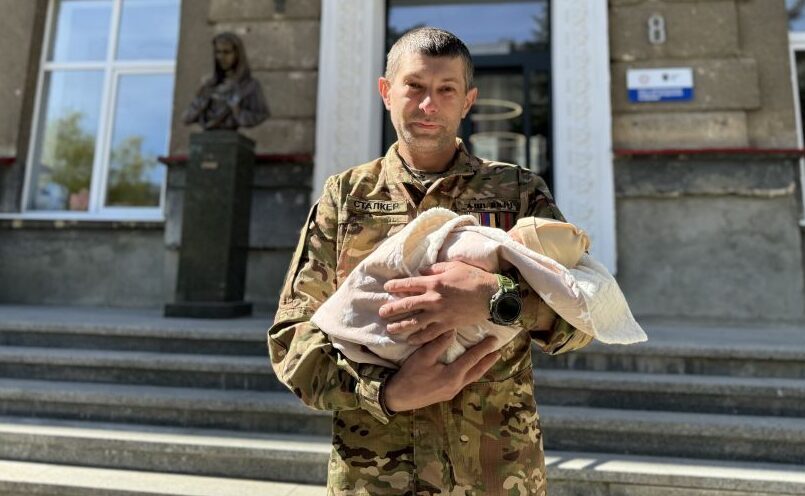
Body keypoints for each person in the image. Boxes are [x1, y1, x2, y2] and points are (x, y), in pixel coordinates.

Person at [268, 27, 593, 495]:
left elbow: (582, 318)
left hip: (495, 473)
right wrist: (386, 392)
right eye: (414, 87)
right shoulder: (346, 197)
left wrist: (492, 299)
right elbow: (290, 340)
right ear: (386, 91)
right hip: (375, 474)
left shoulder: (519, 194)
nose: (428, 106)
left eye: (446, 91)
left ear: (468, 100)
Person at [182, 32, 268, 130]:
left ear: (237, 54)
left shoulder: (250, 86)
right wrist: (201, 101)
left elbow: (260, 115)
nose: (221, 57)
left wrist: (237, 111)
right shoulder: (209, 85)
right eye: (218, 52)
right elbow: (186, 118)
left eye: (226, 52)